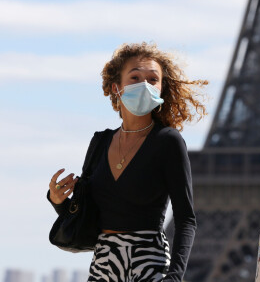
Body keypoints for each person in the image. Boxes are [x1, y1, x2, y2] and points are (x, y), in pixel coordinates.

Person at [47, 42, 207, 282]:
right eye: (135, 77)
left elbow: (186, 218)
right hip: (103, 265)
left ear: (161, 89)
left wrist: (174, 277)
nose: (144, 84)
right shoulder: (100, 142)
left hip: (148, 263)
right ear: (116, 87)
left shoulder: (168, 141)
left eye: (153, 79)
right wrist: (59, 201)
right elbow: (88, 214)